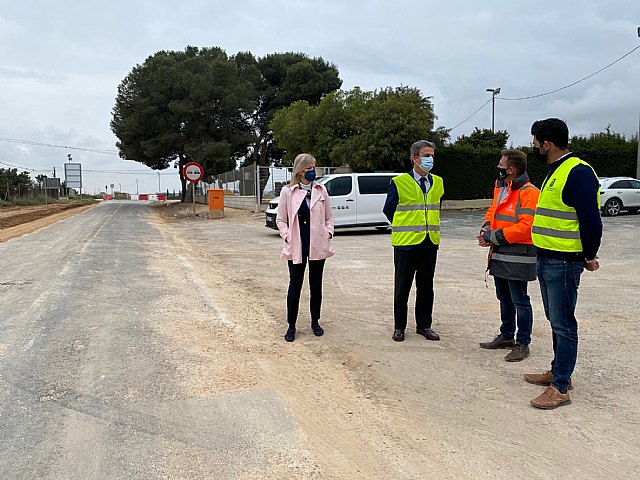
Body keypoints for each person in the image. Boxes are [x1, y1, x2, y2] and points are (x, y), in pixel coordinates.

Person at [525, 118, 602, 409]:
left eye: (535, 141)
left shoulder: (577, 172)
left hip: (564, 261)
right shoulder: (555, 170)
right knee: (556, 320)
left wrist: (589, 255)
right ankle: (559, 372)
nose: (533, 146)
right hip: (547, 257)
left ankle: (560, 387)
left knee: (564, 323)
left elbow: (591, 220)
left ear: (547, 144)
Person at [478, 149, 540, 362]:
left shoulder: (530, 192)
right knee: (504, 297)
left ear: (512, 169)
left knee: (520, 300)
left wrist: (493, 236)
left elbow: (526, 227)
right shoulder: (501, 186)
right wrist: (486, 229)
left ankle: (523, 342)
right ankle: (506, 335)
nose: (498, 169)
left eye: (502, 166)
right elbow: (493, 211)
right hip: (500, 250)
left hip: (518, 254)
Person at [383, 140, 444, 342]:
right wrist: (404, 225)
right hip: (406, 243)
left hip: (429, 242)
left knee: (426, 287)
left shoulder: (438, 182)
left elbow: (436, 208)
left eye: (432, 155)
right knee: (402, 287)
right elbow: (388, 210)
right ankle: (399, 327)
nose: (430, 159)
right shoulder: (399, 182)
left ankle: (424, 325)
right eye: (426, 155)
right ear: (414, 158)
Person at [276, 153, 335, 342]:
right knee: (295, 286)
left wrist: (329, 232)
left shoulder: (321, 190)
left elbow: (329, 217)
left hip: (317, 243)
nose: (312, 171)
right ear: (300, 170)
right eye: (309, 168)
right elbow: (281, 219)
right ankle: (291, 325)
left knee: (316, 286)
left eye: (313, 167)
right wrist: (287, 236)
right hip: (297, 244)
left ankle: (315, 321)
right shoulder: (288, 191)